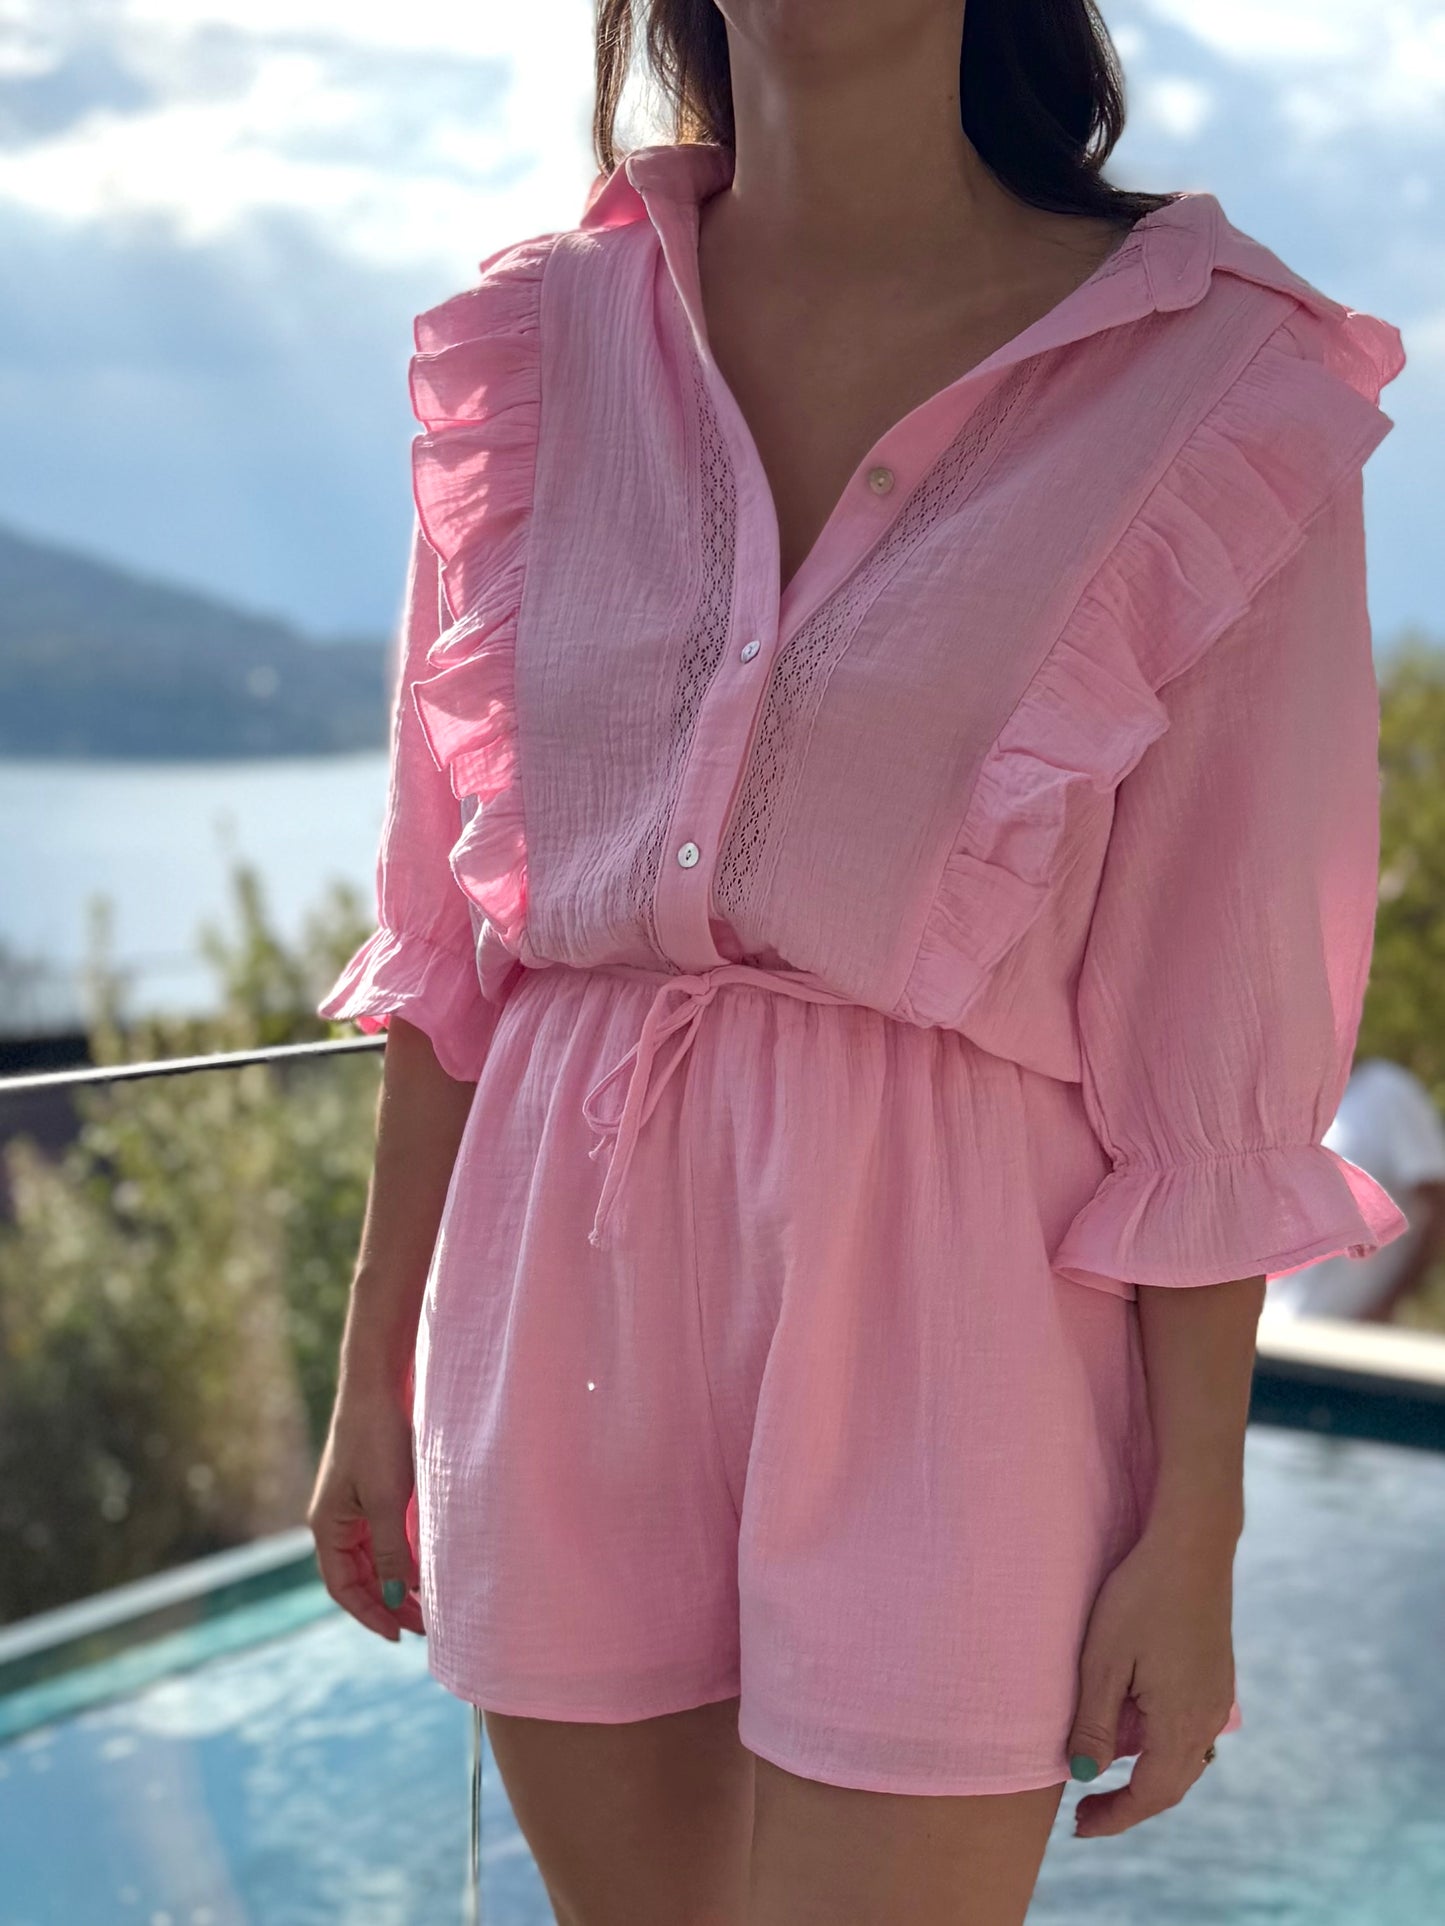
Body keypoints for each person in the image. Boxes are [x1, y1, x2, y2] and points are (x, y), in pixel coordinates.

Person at [306, 3, 1409, 1920]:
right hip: (562, 1265)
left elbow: (1216, 1017)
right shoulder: (536, 343)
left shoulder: (1214, 379)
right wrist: (371, 1362)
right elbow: (450, 924)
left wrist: (1197, 1522)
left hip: (956, 1287)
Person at [1261, 1057, 1445, 1325]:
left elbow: (1437, 1207)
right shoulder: (1282, 1098)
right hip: (1274, 1325)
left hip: (1348, 1333)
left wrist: (1389, 1302)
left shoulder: (1388, 1092)